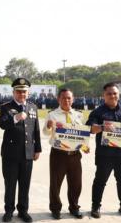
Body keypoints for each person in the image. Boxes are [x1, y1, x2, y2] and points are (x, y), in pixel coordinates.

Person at [86, 82, 121, 219]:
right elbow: (90, 129)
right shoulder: (98, 112)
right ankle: (95, 206)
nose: (112, 96)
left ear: (119, 94)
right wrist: (102, 127)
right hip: (105, 155)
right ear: (104, 95)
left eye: (115, 93)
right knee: (100, 181)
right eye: (109, 93)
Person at [0, 78, 41, 222]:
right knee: (10, 184)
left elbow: (36, 130)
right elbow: (2, 125)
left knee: (25, 184)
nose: (22, 94)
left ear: (28, 92)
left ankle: (23, 210)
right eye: (19, 91)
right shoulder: (6, 106)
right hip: (10, 153)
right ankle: (9, 211)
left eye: (24, 91)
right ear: (14, 92)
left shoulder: (33, 107)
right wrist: (16, 117)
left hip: (28, 153)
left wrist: (38, 149)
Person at [43, 88, 87, 220]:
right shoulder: (52, 114)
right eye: (63, 98)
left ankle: (74, 207)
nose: (66, 100)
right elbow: (45, 133)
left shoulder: (79, 115)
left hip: (75, 154)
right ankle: (55, 209)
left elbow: (82, 134)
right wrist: (49, 126)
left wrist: (85, 146)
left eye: (69, 98)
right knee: (55, 184)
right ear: (58, 99)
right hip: (58, 154)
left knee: (76, 183)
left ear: (73, 99)